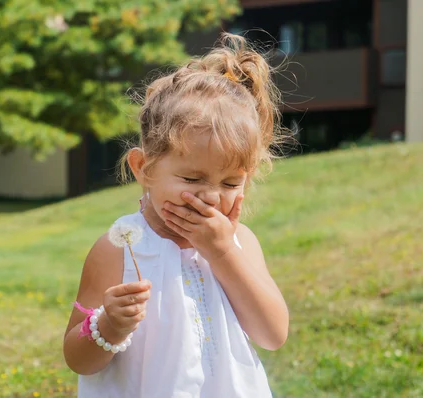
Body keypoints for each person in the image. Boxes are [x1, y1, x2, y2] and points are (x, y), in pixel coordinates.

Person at [63, 32, 289, 397]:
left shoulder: (240, 243)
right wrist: (108, 327)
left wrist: (222, 253)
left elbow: (272, 335)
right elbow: (77, 359)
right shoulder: (120, 249)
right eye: (192, 178)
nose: (212, 197)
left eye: (231, 182)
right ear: (143, 168)